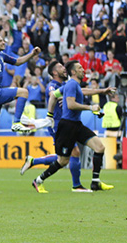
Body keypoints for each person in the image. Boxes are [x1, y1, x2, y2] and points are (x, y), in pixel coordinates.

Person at [19, 61, 113, 191]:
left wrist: (102, 91)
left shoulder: (68, 85)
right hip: (61, 125)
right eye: (60, 67)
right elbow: (57, 97)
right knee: (64, 159)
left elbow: (79, 92)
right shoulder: (56, 85)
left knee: (96, 148)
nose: (63, 68)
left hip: (75, 124)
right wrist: (54, 112)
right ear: (55, 72)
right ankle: (41, 179)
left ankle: (93, 182)